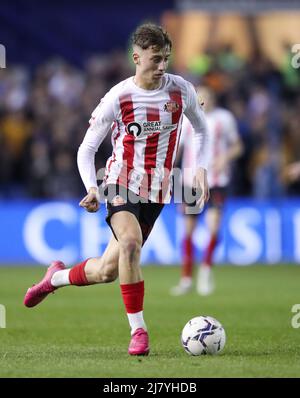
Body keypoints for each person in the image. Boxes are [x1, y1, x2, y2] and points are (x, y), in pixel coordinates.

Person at [23, 23, 210, 356]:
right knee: (131, 242)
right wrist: (93, 188)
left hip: (157, 191)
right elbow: (87, 148)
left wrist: (200, 171)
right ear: (136, 57)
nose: (162, 66)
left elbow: (201, 129)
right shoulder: (119, 96)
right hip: (120, 182)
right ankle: (138, 331)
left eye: (166, 58)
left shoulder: (181, 91)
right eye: (155, 59)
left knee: (108, 270)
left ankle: (54, 278)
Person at [171, 86, 243, 296]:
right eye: (200, 97)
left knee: (213, 227)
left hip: (216, 180)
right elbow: (177, 148)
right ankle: (186, 278)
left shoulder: (224, 118)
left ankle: (205, 271)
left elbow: (238, 146)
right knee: (188, 230)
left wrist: (225, 158)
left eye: (208, 96)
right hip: (189, 182)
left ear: (213, 98)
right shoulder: (185, 119)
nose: (204, 100)